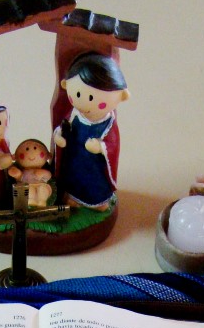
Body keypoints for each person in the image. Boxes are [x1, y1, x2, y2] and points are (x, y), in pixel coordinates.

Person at [52, 53, 130, 210]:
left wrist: (101, 147)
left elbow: (113, 145)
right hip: (75, 158)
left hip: (95, 165)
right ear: (66, 85)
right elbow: (63, 128)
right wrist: (59, 136)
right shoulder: (74, 114)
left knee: (93, 182)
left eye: (94, 99)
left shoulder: (108, 123)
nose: (85, 103)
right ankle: (73, 197)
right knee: (74, 178)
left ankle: (97, 202)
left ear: (122, 96)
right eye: (78, 95)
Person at [7, 138, 54, 207]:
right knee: (28, 191)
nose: (31, 155)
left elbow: (48, 176)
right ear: (15, 157)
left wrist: (42, 173)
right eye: (27, 149)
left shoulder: (45, 169)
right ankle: (31, 202)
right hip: (27, 186)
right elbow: (20, 177)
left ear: (48, 156)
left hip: (41, 184)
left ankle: (42, 202)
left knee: (42, 190)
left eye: (35, 148)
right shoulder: (23, 172)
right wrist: (16, 173)